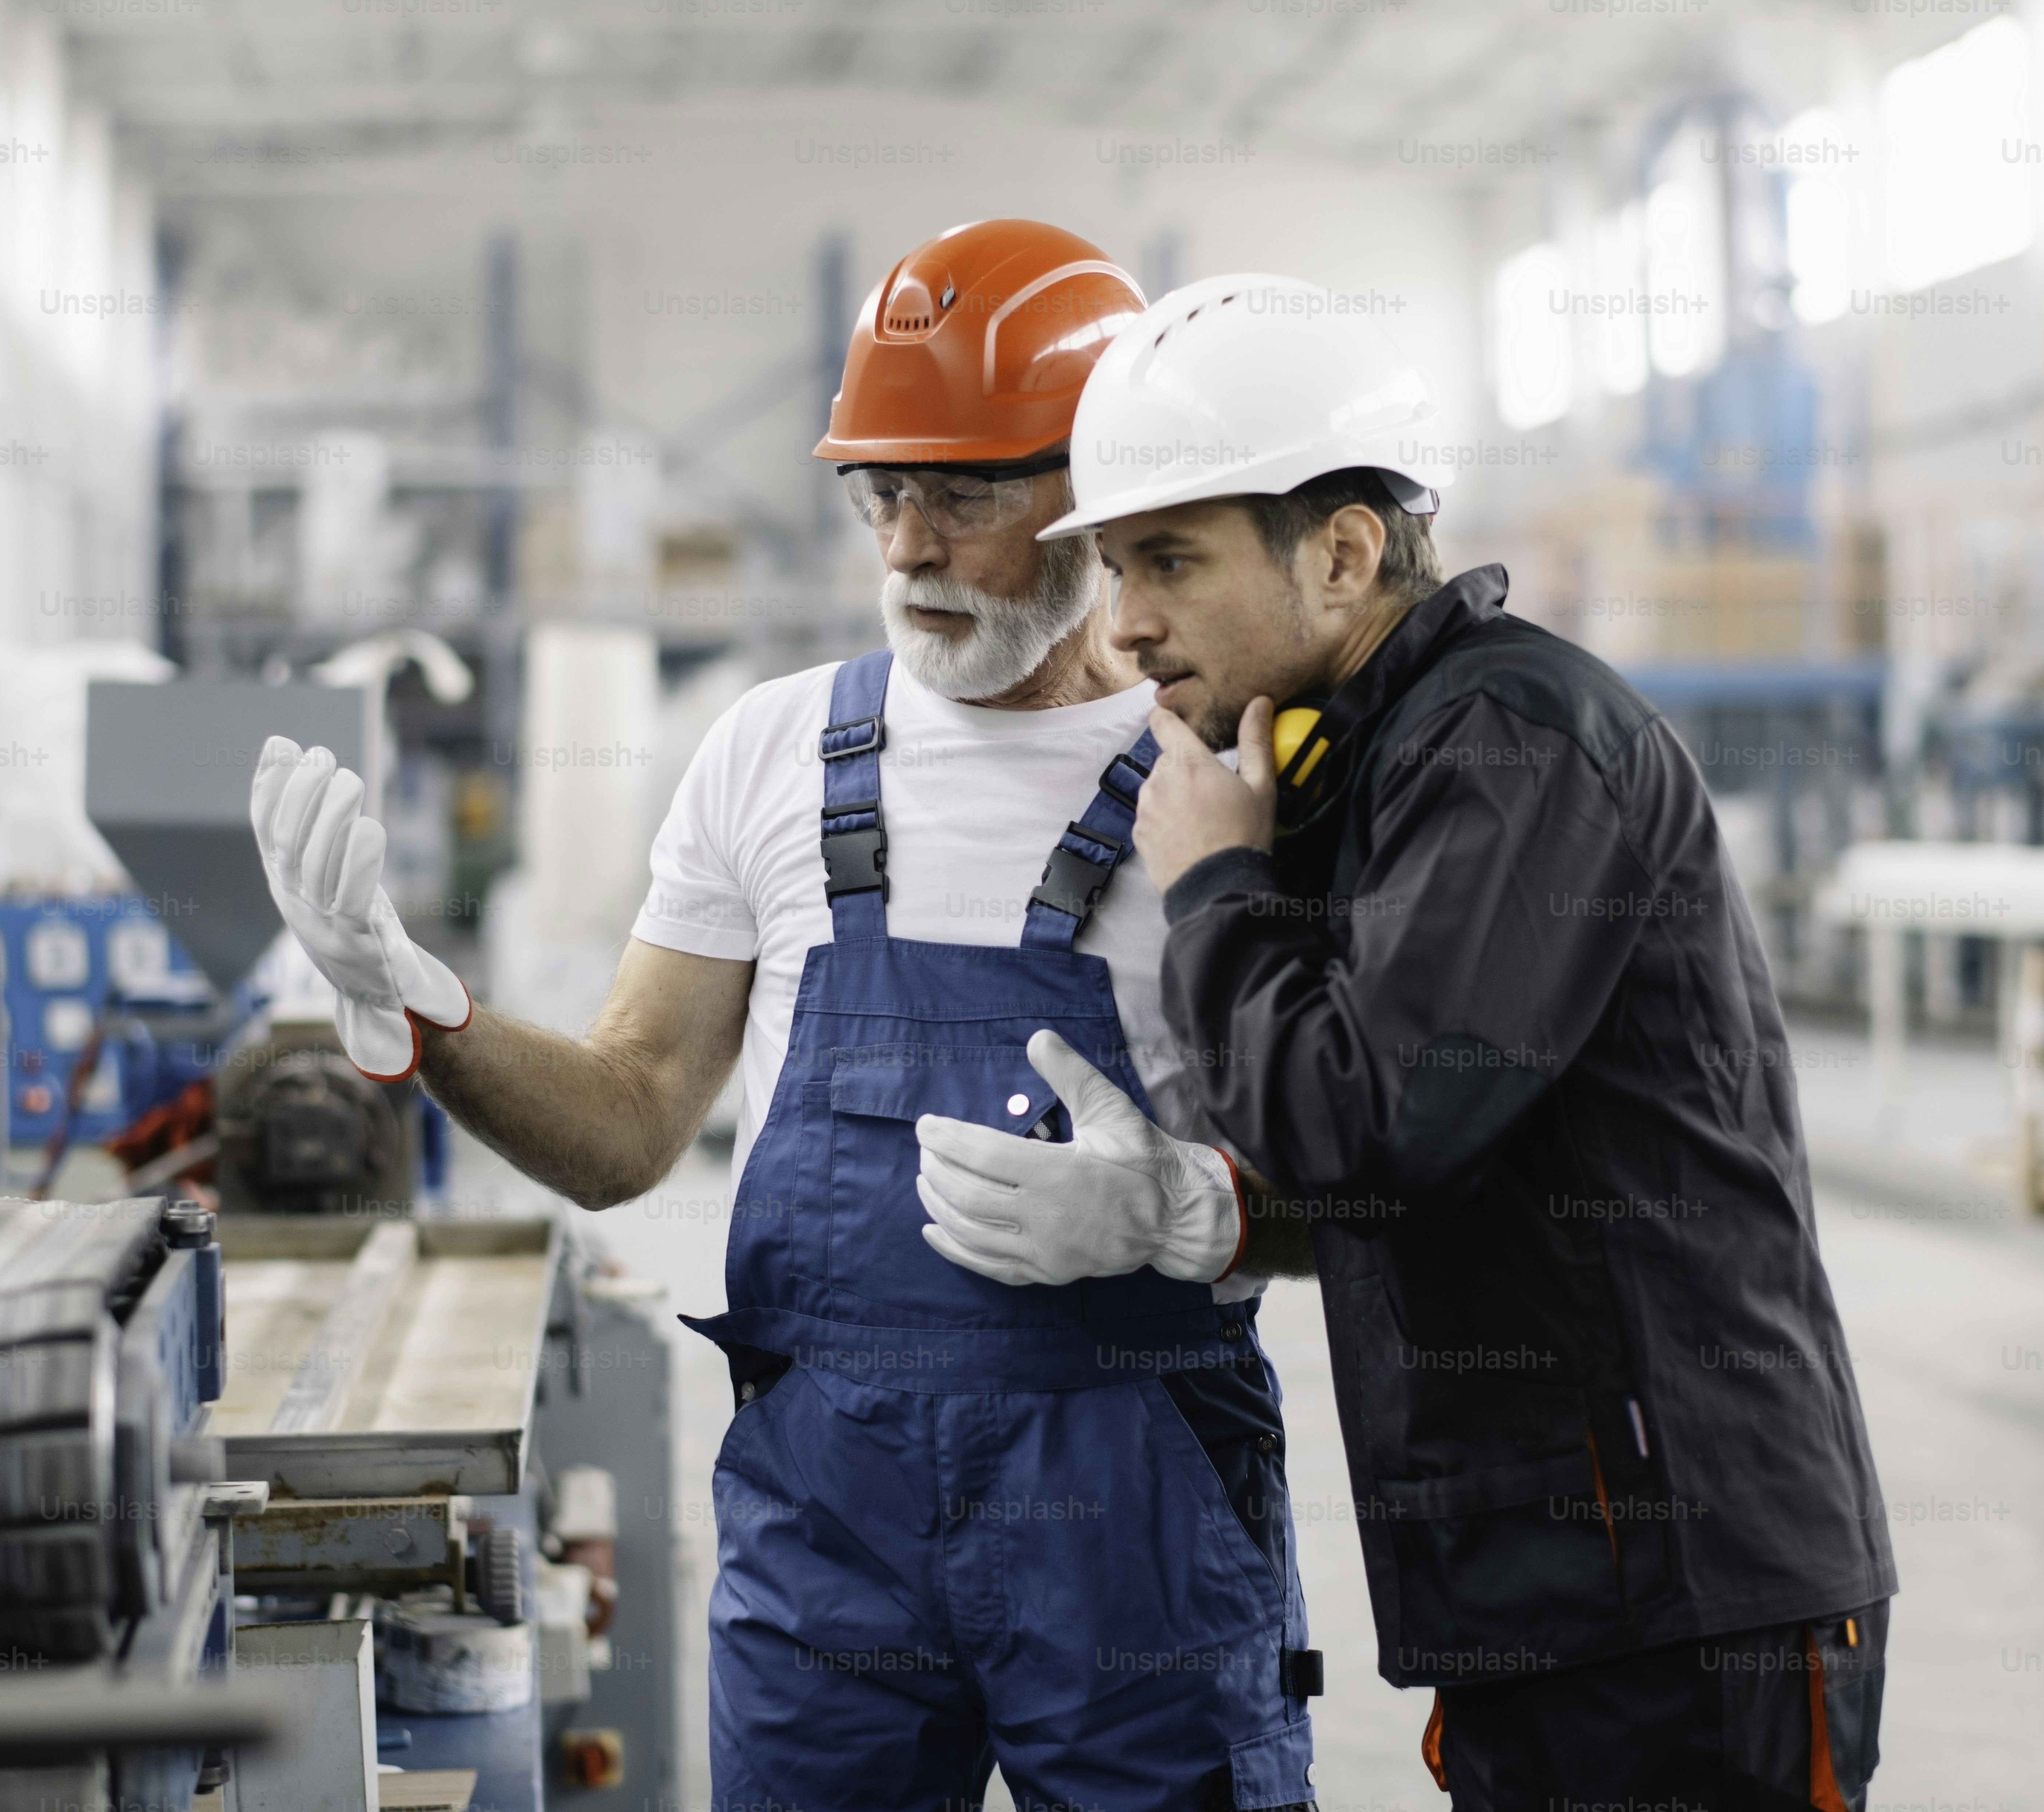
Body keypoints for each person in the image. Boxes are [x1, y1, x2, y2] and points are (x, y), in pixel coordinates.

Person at [249, 221, 1323, 1812]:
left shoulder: (1234, 774)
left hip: (1137, 1527)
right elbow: (626, 1121)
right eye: (879, 494)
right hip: (832, 1547)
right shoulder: (770, 753)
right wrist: (427, 1008)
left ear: (1098, 497)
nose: (906, 547)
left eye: (963, 494)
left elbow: (1381, 1166)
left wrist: (1189, 1211)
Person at [913, 274, 1895, 1809]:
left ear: (1346, 551)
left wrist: (1218, 881)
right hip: (1548, 1578)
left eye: (1169, 559)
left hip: (1683, 1589)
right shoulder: (1367, 764)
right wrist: (1200, 1202)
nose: (1128, 623)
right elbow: (1405, 1149)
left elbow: (1373, 1116)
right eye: (1112, 567)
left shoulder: (1513, 742)